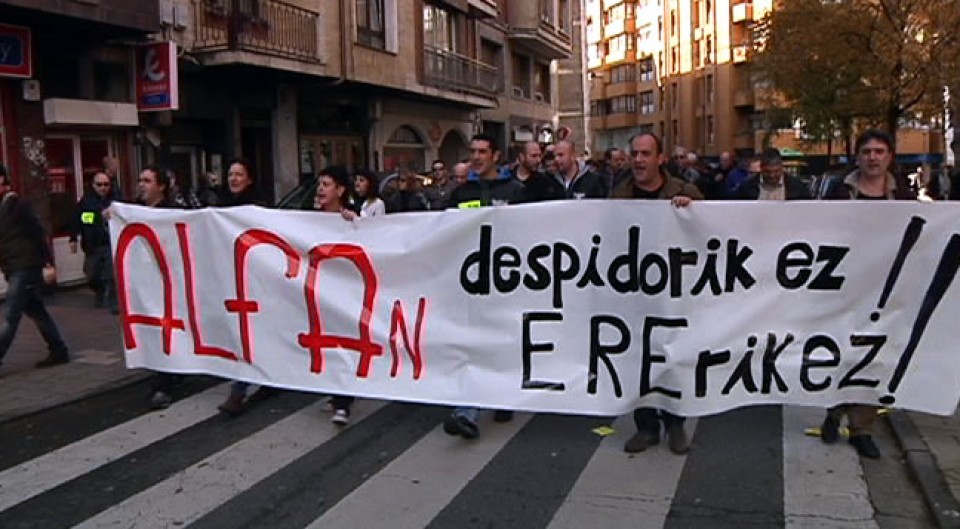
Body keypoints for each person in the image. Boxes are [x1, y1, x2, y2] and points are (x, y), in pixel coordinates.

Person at [819, 129, 914, 459]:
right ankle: (833, 410)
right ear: (857, 156)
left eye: (880, 151)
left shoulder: (902, 193)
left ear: (889, 156)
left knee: (874, 358)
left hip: (886, 290)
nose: (873, 157)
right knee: (841, 352)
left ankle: (862, 428)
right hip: (845, 288)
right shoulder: (838, 192)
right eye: (867, 151)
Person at [610, 133, 702, 455]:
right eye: (634, 153)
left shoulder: (683, 191)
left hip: (675, 290)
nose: (638, 160)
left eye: (645, 154)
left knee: (673, 355)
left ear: (660, 158)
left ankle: (675, 423)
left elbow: (709, 231)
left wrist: (692, 210)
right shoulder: (619, 194)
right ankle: (646, 426)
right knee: (639, 359)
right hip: (634, 290)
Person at [443, 134, 525, 439]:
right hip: (472, 282)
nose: (476, 157)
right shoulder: (460, 193)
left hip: (506, 282)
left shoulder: (516, 192)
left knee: (503, 342)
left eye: (482, 151)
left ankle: (501, 394)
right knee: (474, 343)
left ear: (496, 155)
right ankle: (468, 411)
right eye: (472, 151)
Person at [215, 159, 278, 416]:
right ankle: (268, 378)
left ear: (249, 179)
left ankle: (239, 390)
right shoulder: (218, 207)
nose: (234, 179)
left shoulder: (259, 208)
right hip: (231, 279)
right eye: (230, 174)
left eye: (239, 174)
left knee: (249, 333)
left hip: (255, 281)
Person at [0, 165, 70, 370]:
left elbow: (37, 233)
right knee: (37, 311)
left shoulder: (17, 205)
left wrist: (48, 262)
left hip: (25, 265)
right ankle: (59, 350)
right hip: (13, 266)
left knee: (11, 314)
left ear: (3, 180)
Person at [312, 165, 363, 425]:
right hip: (319, 293)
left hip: (345, 294)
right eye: (319, 184)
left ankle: (344, 402)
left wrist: (354, 223)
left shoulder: (352, 220)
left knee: (343, 343)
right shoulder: (308, 220)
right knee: (328, 345)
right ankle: (336, 394)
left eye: (327, 184)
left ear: (340, 190)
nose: (321, 189)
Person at [137, 165, 185, 409]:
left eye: (147, 180)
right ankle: (168, 371)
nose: (141, 185)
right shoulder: (133, 210)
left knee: (165, 329)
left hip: (169, 281)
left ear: (161, 186)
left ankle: (163, 382)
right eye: (140, 180)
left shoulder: (171, 213)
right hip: (145, 282)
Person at [68, 172, 117, 313]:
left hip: (110, 243)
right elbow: (79, 219)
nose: (103, 188)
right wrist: (73, 238)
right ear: (93, 185)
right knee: (91, 275)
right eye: (99, 185)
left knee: (111, 275)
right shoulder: (86, 202)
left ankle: (113, 303)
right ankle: (99, 291)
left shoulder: (115, 200)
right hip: (92, 245)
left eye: (106, 185)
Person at [734, 148, 812, 200]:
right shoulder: (746, 187)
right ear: (761, 168)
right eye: (767, 172)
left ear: (782, 167)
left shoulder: (797, 187)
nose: (772, 175)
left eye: (776, 171)